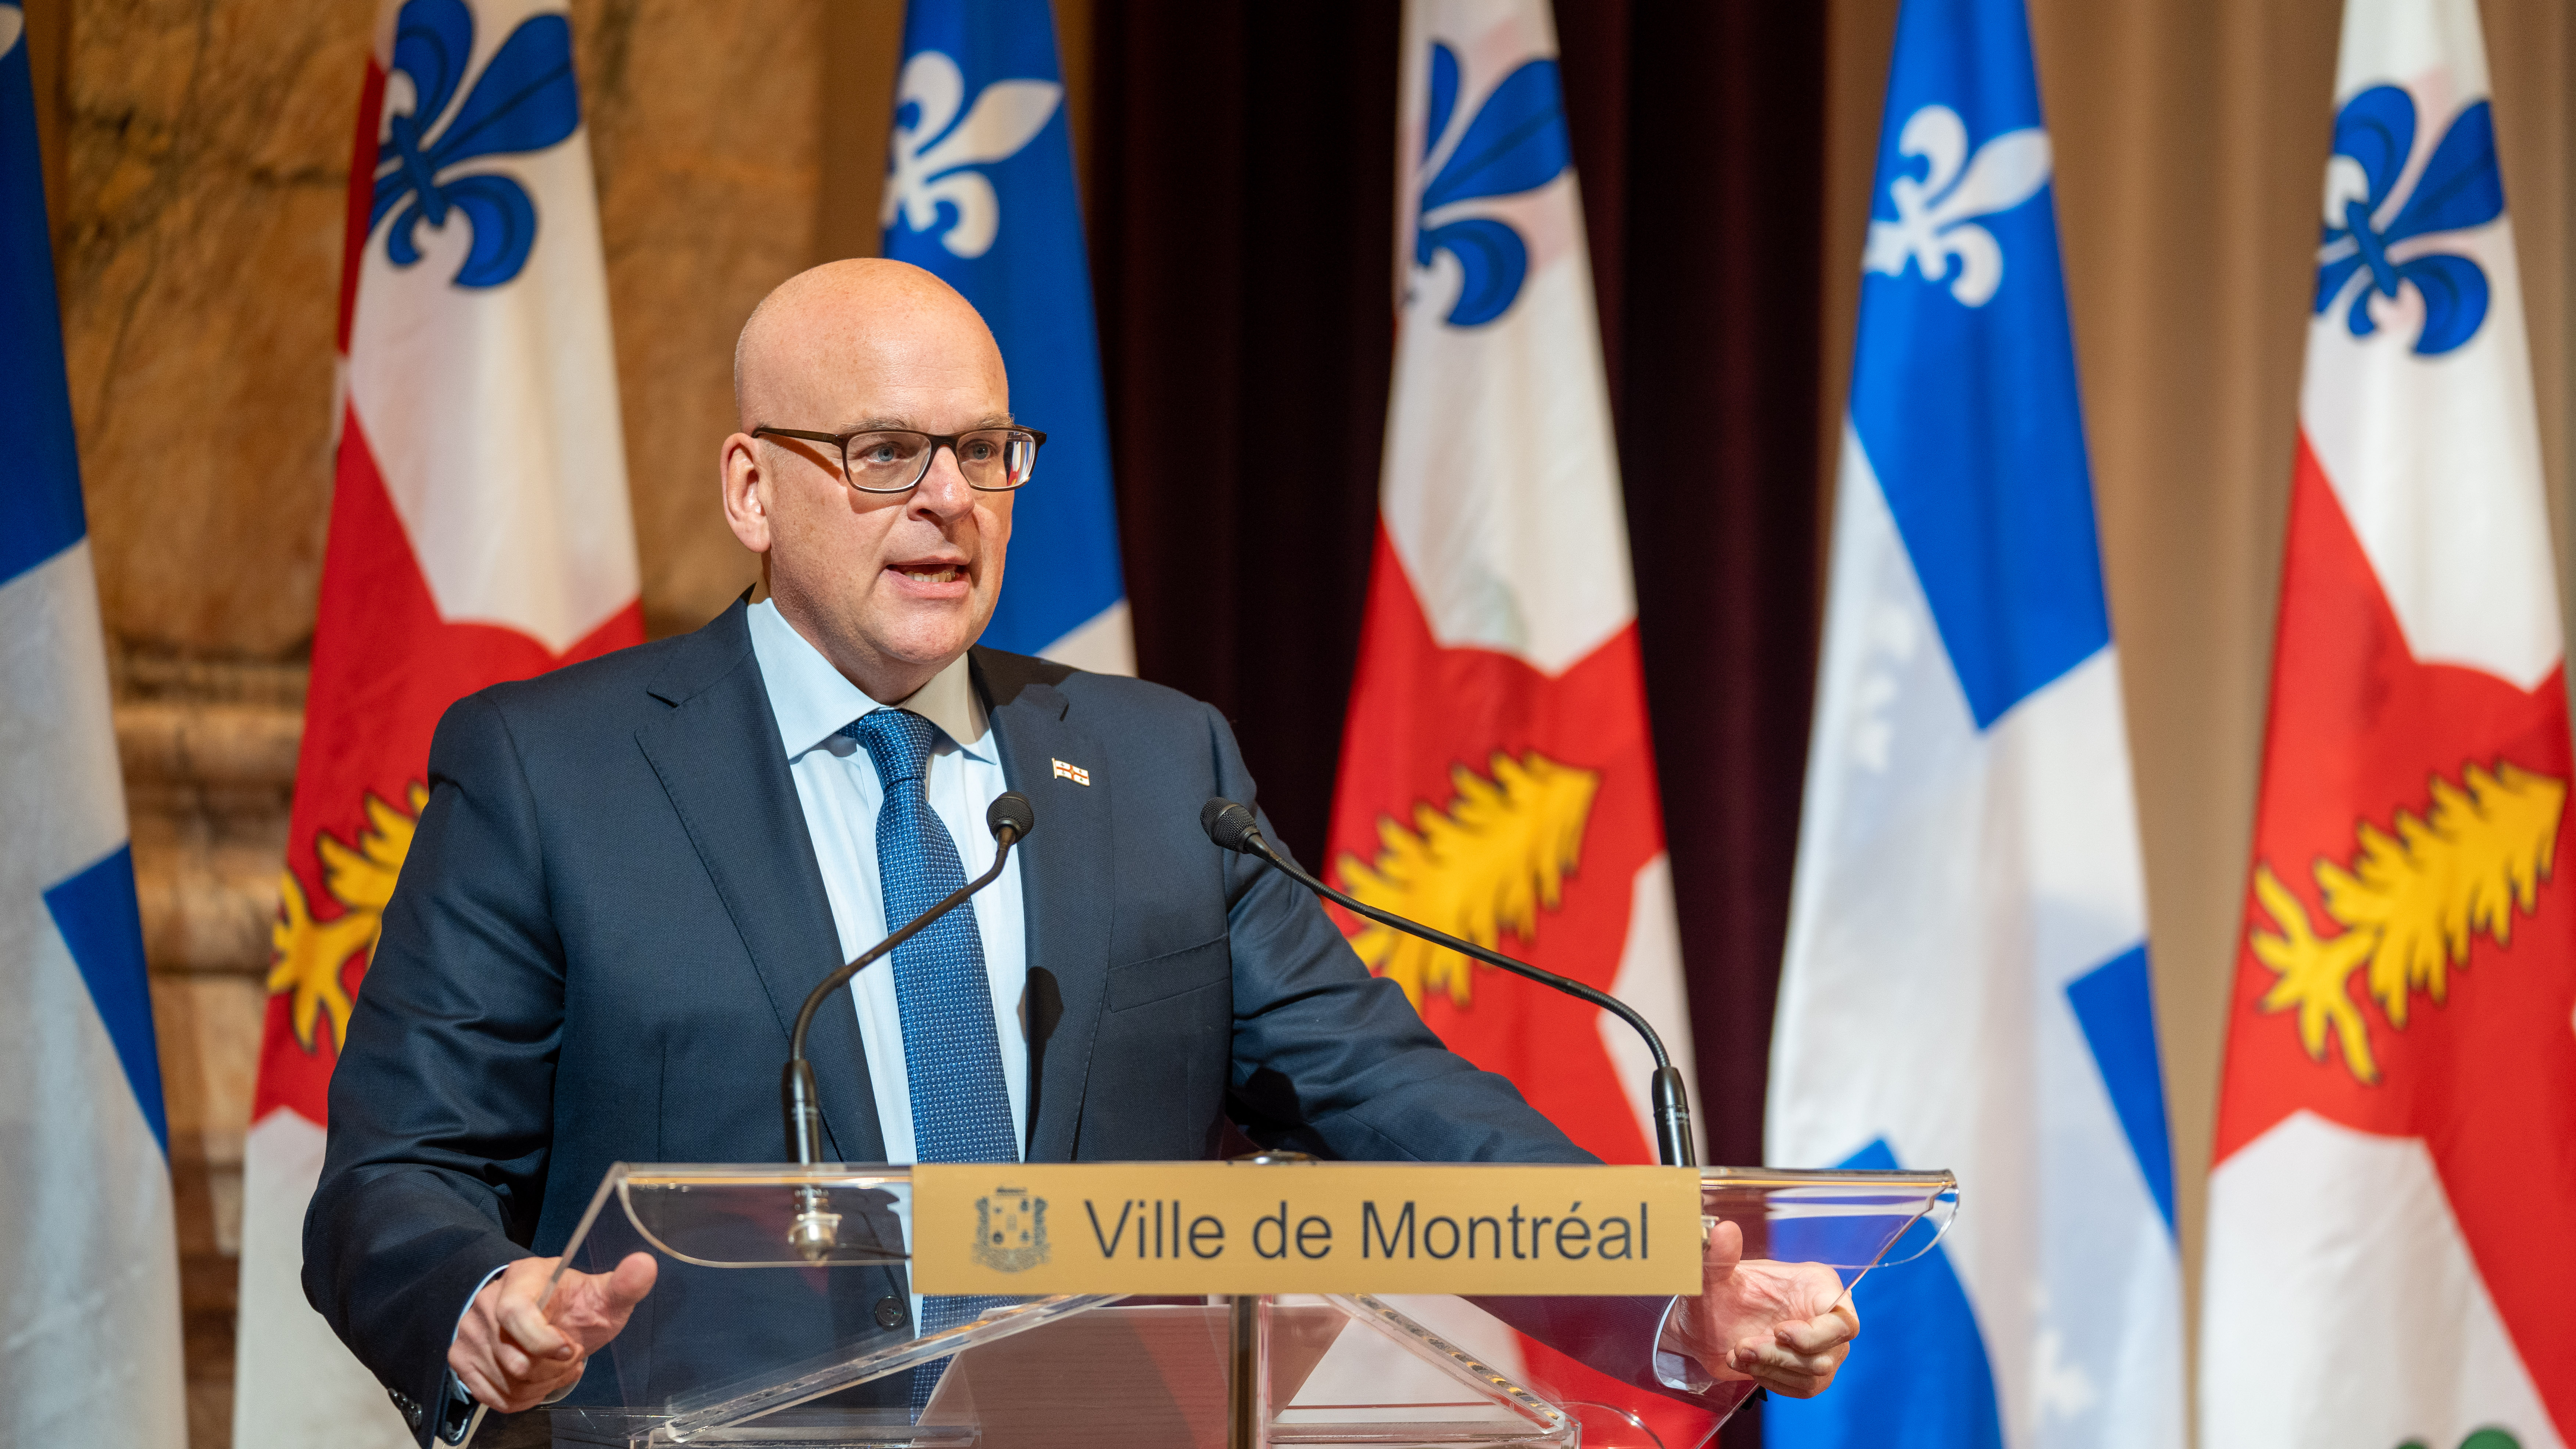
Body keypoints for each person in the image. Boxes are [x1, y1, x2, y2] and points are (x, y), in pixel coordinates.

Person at [305, 260, 1858, 1445]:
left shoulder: (1156, 766)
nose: (948, 501)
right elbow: (396, 1176)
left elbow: (1391, 1099)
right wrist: (485, 1304)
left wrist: (1666, 1275)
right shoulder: (554, 771)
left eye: (984, 450)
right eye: (885, 451)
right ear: (751, 487)